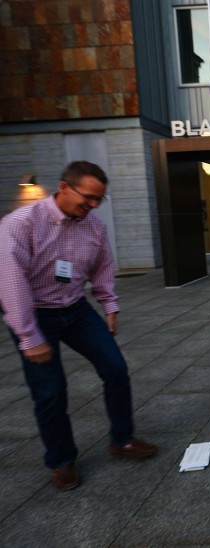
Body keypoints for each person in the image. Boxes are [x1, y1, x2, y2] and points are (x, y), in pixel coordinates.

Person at [0, 161, 158, 492]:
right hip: (35, 314)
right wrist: (29, 337)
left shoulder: (94, 228)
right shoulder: (19, 225)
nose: (94, 206)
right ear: (64, 187)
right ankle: (61, 460)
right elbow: (10, 283)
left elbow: (102, 267)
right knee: (51, 392)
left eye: (100, 199)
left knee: (115, 368)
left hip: (76, 308)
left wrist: (110, 305)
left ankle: (122, 439)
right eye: (88, 198)